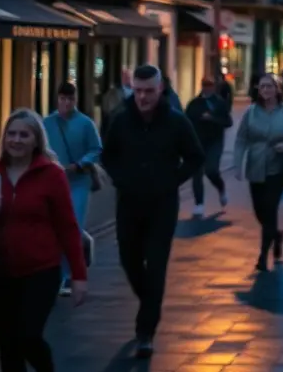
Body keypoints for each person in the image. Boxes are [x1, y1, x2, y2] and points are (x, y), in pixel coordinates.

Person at [101, 64, 205, 358]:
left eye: (149, 91)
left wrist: (173, 180)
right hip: (129, 204)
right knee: (129, 260)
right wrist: (120, 178)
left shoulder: (176, 122)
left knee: (156, 267)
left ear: (160, 90)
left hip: (162, 205)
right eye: (138, 90)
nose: (143, 97)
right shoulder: (121, 120)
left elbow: (196, 156)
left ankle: (145, 331)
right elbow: (107, 155)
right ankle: (150, 300)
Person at [0, 109, 88, 372]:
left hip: (41, 271)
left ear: (37, 140)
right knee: (7, 345)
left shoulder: (52, 175)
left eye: (24, 134)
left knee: (28, 335)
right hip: (1, 271)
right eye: (11, 134)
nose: (16, 140)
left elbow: (68, 227)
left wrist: (78, 275)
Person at [233, 74, 283, 270]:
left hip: (278, 168)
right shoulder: (251, 112)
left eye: (269, 87)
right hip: (255, 167)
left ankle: (263, 255)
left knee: (270, 208)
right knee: (259, 210)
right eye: (262, 87)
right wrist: (237, 164)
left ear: (277, 89)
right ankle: (276, 235)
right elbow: (241, 139)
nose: (265, 90)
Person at [43, 81, 102, 294]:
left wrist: (80, 164)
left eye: (70, 99)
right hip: (54, 182)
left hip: (79, 182)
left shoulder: (85, 123)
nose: (66, 103)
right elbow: (40, 148)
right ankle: (80, 246)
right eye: (63, 99)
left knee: (72, 225)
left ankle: (67, 276)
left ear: (75, 100)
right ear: (57, 99)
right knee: (54, 227)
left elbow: (96, 149)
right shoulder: (47, 123)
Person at [184, 77, 234, 216]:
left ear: (214, 87)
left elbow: (228, 122)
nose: (207, 88)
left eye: (210, 85)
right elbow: (186, 121)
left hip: (215, 142)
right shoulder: (194, 103)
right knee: (197, 173)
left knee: (211, 170)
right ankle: (199, 203)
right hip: (198, 142)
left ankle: (221, 188)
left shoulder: (219, 103)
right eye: (205, 85)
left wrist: (212, 119)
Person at [101, 70, 133, 135]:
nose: (128, 79)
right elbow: (108, 110)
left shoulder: (136, 91)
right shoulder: (112, 94)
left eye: (130, 77)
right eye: (126, 76)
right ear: (121, 78)